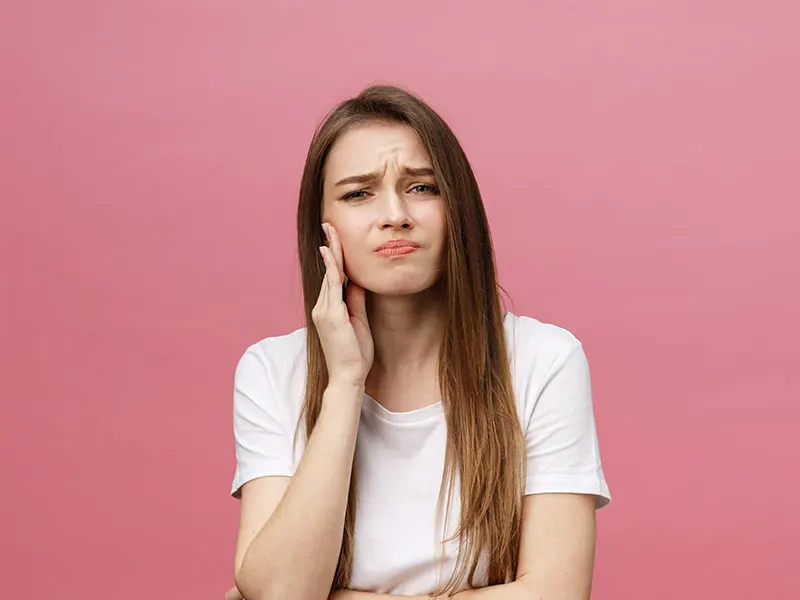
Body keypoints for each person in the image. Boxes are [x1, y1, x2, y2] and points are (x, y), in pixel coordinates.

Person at [224, 85, 612, 600]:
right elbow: (280, 591)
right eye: (358, 193)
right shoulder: (271, 371)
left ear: (460, 209)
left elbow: (557, 595)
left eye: (423, 188)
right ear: (322, 227)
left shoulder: (544, 361)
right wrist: (344, 384)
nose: (395, 215)